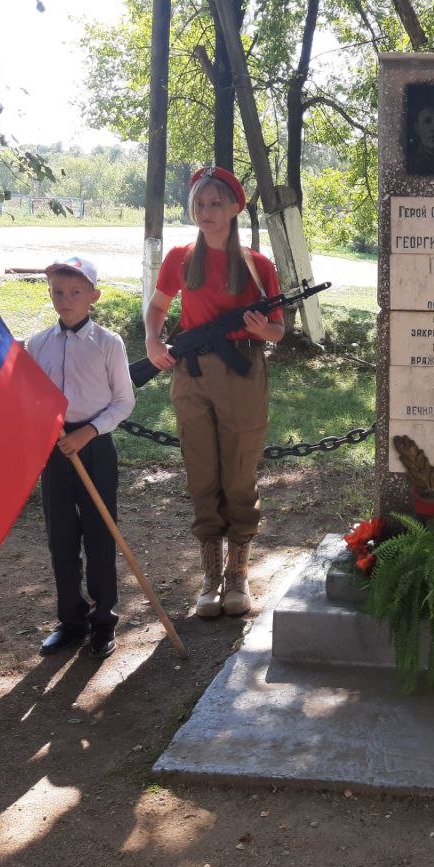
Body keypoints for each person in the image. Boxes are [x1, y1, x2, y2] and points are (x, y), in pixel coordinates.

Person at [144, 166, 283, 618]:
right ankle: (210, 575)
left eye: (216, 203)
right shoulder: (181, 257)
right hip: (192, 375)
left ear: (235, 207)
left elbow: (280, 330)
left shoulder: (258, 266)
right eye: (200, 204)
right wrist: (152, 340)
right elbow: (159, 307)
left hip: (242, 372)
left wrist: (265, 329)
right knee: (201, 470)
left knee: (239, 472)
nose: (207, 212)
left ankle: (237, 575)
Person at [27, 255, 135, 658]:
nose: (65, 300)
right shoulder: (37, 345)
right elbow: (30, 398)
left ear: (94, 296)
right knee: (62, 537)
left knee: (99, 532)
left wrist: (89, 432)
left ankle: (103, 621)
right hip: (55, 449)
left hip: (94, 446)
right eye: (58, 292)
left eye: (75, 293)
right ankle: (71, 620)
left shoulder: (109, 344)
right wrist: (48, 427)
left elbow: (124, 402)